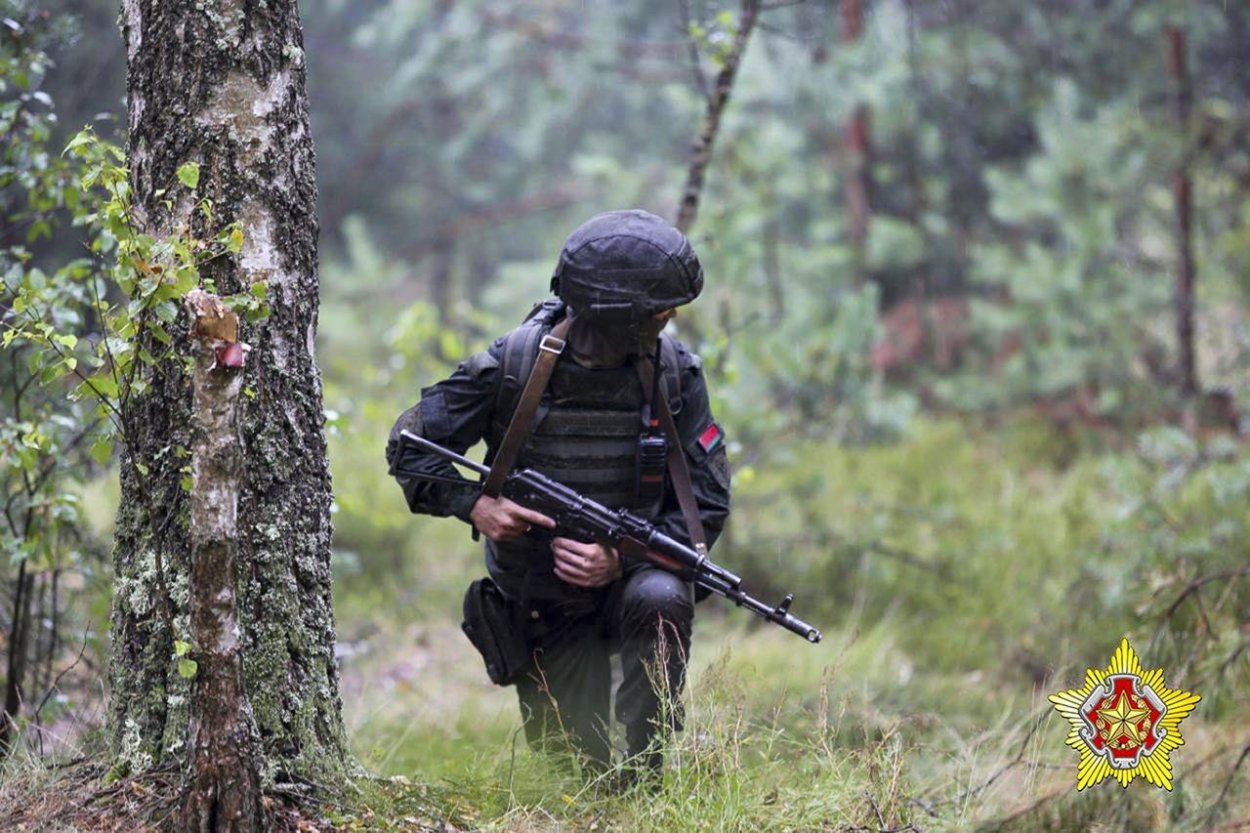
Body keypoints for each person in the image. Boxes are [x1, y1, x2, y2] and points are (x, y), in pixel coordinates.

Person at [386, 209, 731, 782]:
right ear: (620, 315)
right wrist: (476, 504)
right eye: (660, 310)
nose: (669, 319)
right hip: (542, 596)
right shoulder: (513, 365)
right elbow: (410, 444)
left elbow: (706, 505)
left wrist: (620, 559)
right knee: (576, 773)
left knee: (663, 596)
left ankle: (649, 774)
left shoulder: (675, 373)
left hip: (632, 582)